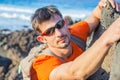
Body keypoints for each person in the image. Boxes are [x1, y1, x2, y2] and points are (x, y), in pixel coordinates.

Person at [29, 0, 120, 80]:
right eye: (49, 32)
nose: (59, 34)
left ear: (65, 22)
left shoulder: (73, 34)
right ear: (42, 39)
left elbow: (95, 15)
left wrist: (104, 4)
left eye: (59, 25)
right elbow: (75, 74)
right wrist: (108, 37)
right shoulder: (42, 64)